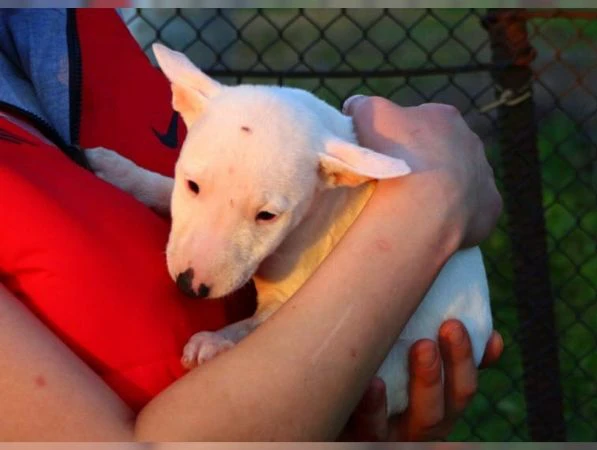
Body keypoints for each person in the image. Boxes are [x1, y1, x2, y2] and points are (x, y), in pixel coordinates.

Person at [0, 8, 503, 441]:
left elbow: (258, 238)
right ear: (187, 100)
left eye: (265, 215)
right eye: (191, 187)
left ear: (339, 173)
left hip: (403, 355)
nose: (197, 273)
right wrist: (436, 196)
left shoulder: (61, 25)